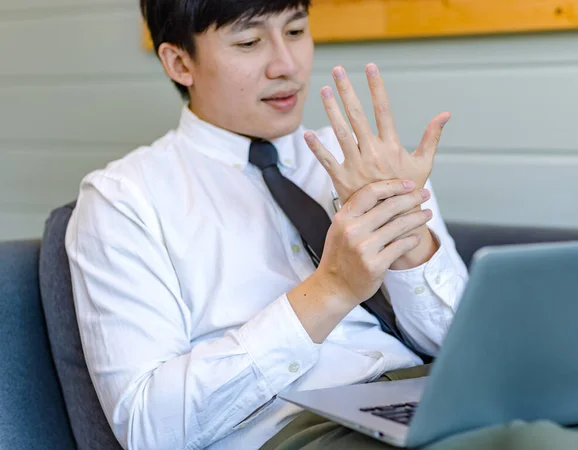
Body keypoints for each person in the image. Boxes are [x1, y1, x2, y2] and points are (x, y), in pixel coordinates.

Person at [65, 1, 469, 448]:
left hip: (432, 395)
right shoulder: (123, 198)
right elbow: (149, 429)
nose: (286, 65)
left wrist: (410, 242)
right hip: (304, 429)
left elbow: (467, 348)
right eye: (250, 42)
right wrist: (331, 288)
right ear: (180, 63)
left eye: (295, 32)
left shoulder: (359, 157)